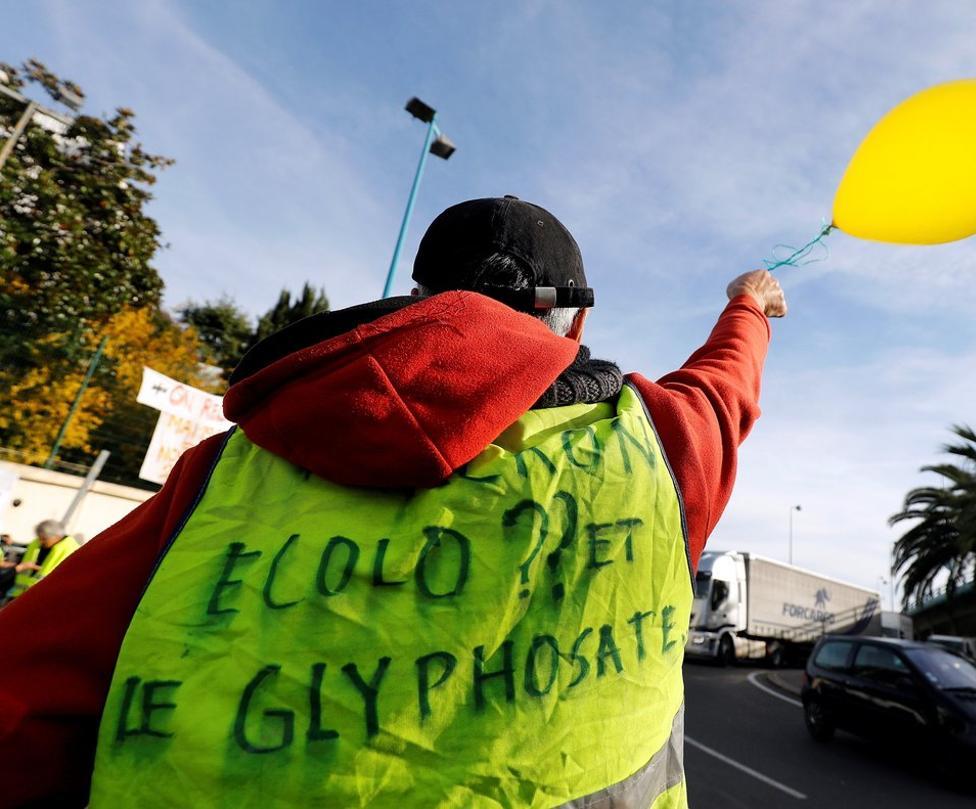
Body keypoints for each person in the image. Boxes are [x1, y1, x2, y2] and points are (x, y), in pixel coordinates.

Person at [0, 196, 786, 807]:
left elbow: (22, 698)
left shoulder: (221, 474)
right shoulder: (664, 452)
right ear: (576, 322)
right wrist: (746, 305)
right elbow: (724, 383)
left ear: (417, 298)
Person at [0, 519, 79, 601]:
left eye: (44, 539)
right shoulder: (37, 542)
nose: (41, 542)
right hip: (18, 595)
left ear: (56, 537)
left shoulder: (72, 550)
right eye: (39, 538)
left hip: (42, 599)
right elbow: (27, 549)